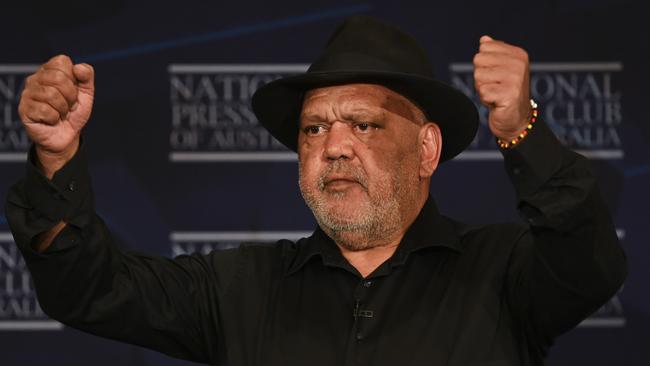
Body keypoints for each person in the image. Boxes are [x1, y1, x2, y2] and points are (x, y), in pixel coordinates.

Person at [6, 15, 626, 366]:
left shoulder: (506, 273)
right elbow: (87, 291)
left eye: (363, 124)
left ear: (427, 150)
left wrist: (522, 131)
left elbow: (591, 260)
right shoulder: (238, 288)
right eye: (313, 128)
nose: (333, 145)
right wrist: (57, 156)